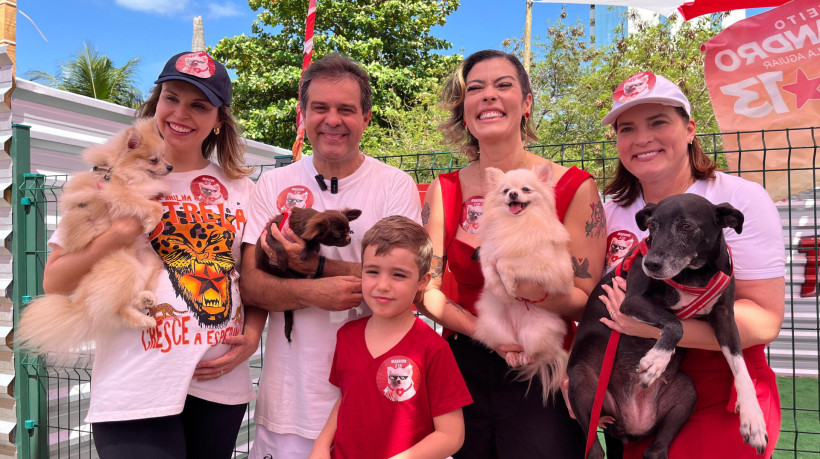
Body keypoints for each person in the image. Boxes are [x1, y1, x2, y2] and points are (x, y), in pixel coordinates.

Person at [42, 50, 258, 458]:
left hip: (219, 385)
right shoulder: (105, 180)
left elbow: (252, 280)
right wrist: (117, 234)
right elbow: (54, 281)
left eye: (199, 105)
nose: (181, 113)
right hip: (134, 386)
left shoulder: (242, 189)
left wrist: (253, 336)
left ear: (218, 120)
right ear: (156, 103)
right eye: (171, 98)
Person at [417, 49, 607, 458]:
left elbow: (587, 300)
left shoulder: (573, 187)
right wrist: (490, 335)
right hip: (464, 363)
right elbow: (426, 290)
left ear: (527, 103)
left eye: (503, 85)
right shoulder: (444, 190)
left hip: (542, 365)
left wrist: (528, 290)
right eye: (475, 89)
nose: (489, 95)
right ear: (464, 109)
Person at [239, 53, 422, 459]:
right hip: (290, 403)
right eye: (320, 108)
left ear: (366, 118)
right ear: (303, 114)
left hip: (373, 397)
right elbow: (250, 285)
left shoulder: (394, 186)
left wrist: (317, 266)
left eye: (346, 109)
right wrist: (313, 291)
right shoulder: (273, 184)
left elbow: (406, 283)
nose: (332, 120)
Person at [599, 71, 784, 458]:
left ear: (689, 129)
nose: (642, 138)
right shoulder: (610, 209)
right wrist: (583, 376)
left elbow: (764, 319)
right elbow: (596, 303)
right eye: (627, 128)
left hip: (720, 379)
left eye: (658, 122)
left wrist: (656, 329)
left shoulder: (740, 197)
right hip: (632, 384)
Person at [308, 216, 472, 459]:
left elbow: (451, 435)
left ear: (422, 281)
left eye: (398, 275)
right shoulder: (346, 336)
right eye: (373, 271)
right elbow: (347, 398)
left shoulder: (433, 349)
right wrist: (321, 444)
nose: (382, 285)